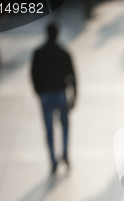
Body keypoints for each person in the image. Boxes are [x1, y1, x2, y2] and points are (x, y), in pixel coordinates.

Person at [31, 22, 76, 175]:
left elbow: (33, 74)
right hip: (60, 93)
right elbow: (73, 75)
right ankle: (64, 152)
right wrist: (74, 95)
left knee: (49, 129)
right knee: (64, 125)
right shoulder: (64, 52)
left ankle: (52, 159)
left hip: (46, 95)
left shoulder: (39, 53)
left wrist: (39, 92)